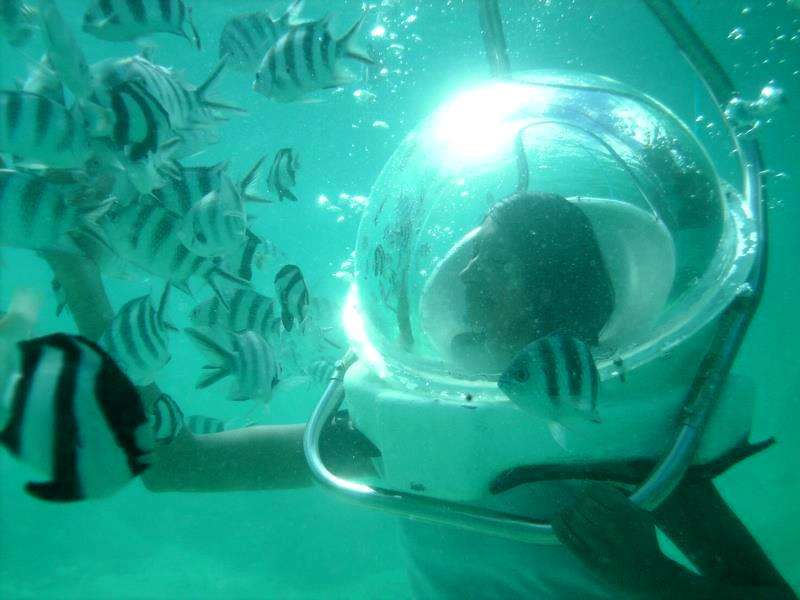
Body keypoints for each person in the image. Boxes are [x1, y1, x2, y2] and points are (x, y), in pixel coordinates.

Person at [51, 192, 796, 600]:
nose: (466, 276)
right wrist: (84, 280)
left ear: (551, 293)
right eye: (475, 253)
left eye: (498, 264)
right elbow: (173, 463)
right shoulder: (404, 426)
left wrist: (653, 580)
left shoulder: (619, 431)